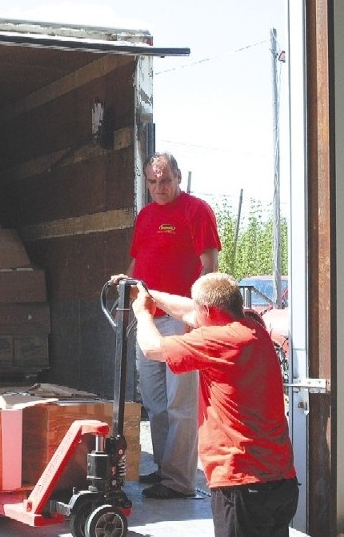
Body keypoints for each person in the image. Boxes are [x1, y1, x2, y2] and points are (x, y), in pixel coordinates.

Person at [132, 272, 299, 537]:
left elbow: (152, 348)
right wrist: (148, 292)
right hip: (281, 482)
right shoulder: (253, 326)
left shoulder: (217, 342)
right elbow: (191, 311)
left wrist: (143, 313)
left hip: (241, 484)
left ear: (208, 310)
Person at [112, 152, 221, 500]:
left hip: (180, 320)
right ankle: (164, 470)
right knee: (156, 403)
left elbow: (210, 264)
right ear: (146, 182)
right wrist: (126, 286)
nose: (159, 187)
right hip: (148, 319)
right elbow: (137, 258)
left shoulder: (195, 210)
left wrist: (196, 313)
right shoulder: (145, 216)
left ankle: (180, 481)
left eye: (166, 180)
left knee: (181, 404)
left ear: (178, 179)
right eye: (153, 181)